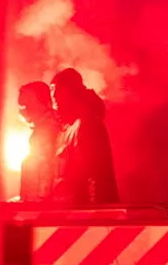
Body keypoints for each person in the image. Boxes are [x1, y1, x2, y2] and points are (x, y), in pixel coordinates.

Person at [50, 68, 119, 205]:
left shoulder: (87, 125)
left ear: (72, 92)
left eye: (59, 90)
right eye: (52, 90)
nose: (54, 96)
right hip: (74, 212)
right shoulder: (68, 128)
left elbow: (96, 176)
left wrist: (95, 215)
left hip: (85, 214)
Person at [17, 81, 60, 202]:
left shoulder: (48, 129)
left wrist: (38, 202)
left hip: (39, 204)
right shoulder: (45, 126)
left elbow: (46, 169)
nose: (23, 110)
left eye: (28, 103)